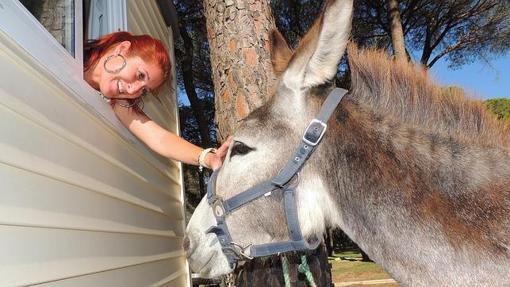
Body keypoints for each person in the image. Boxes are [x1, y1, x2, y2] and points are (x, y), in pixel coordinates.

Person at [83, 31, 229, 170]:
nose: (134, 91)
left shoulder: (119, 104)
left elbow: (159, 139)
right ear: (122, 48)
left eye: (144, 90)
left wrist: (209, 158)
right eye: (140, 75)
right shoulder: (69, 44)